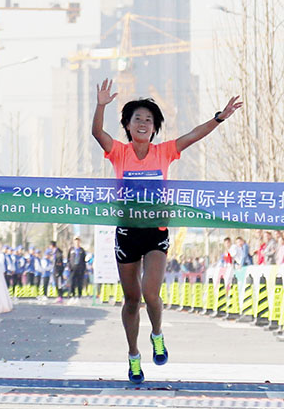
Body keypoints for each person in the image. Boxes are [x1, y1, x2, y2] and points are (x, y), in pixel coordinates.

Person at [91, 77, 241, 384]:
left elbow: (193, 135)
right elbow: (97, 133)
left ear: (154, 128)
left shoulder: (164, 152)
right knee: (131, 300)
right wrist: (101, 106)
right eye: (138, 119)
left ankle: (157, 334)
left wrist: (219, 118)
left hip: (156, 232)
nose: (143, 123)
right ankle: (133, 355)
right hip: (127, 233)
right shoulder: (119, 152)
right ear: (128, 125)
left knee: (151, 293)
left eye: (149, 120)